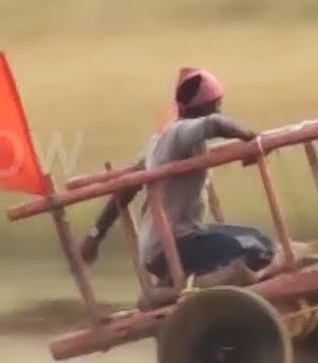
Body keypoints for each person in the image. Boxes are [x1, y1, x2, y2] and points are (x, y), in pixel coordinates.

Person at [79, 68, 297, 308]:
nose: (219, 109)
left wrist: (95, 235)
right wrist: (253, 139)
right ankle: (177, 294)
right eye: (217, 104)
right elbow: (215, 123)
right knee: (259, 252)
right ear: (204, 108)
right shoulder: (181, 131)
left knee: (259, 239)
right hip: (173, 245)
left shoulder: (160, 140)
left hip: (173, 241)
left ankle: (176, 283)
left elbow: (127, 188)